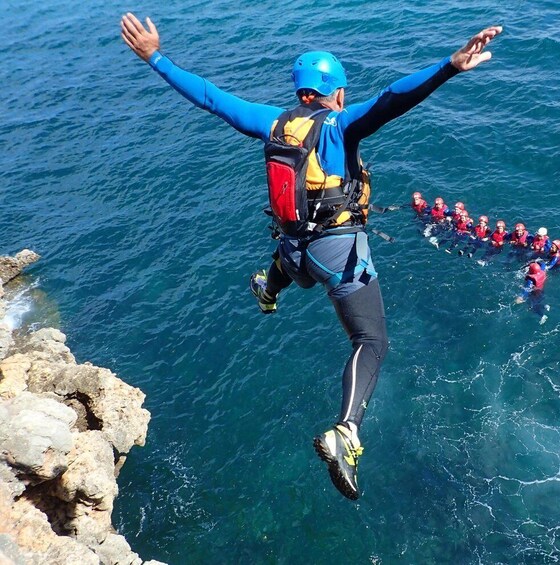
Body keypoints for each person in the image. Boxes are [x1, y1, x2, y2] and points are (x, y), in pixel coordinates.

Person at [120, 13, 502, 500]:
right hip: (337, 255)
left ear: (300, 92)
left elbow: (210, 97)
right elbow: (392, 99)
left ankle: (267, 286)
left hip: (294, 251)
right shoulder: (340, 126)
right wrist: (449, 65)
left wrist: (155, 56)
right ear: (337, 93)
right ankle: (346, 431)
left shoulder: (272, 122)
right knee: (371, 340)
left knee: (290, 268)